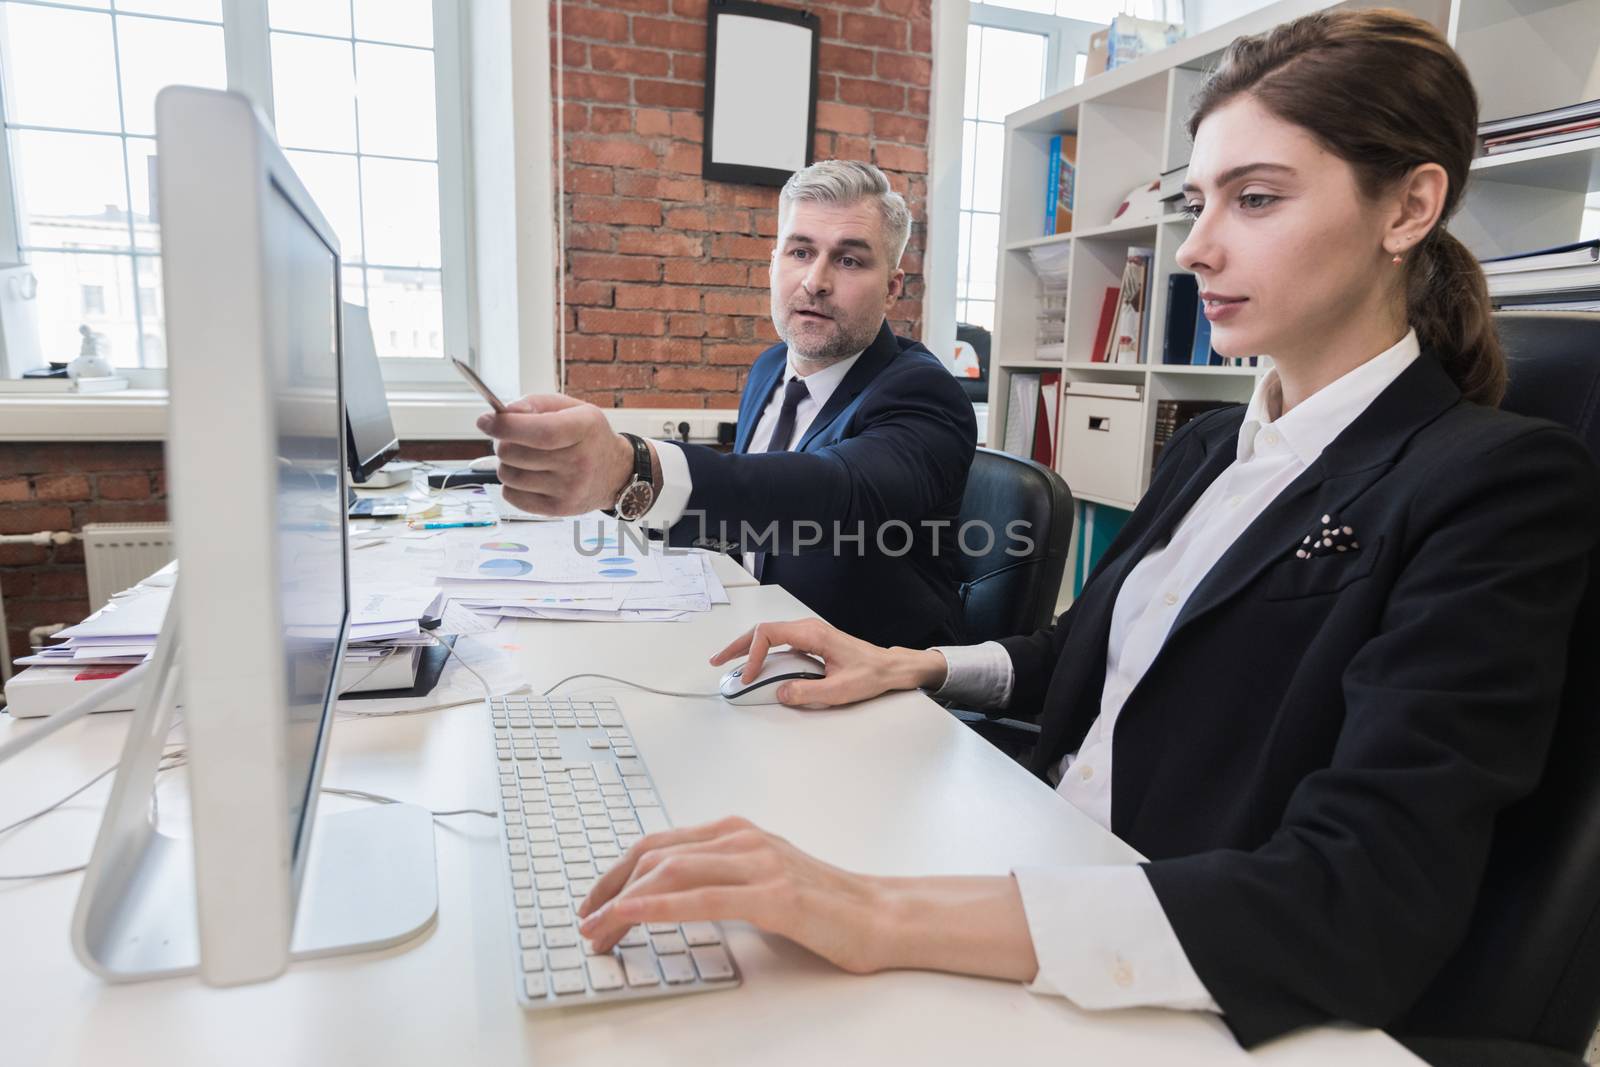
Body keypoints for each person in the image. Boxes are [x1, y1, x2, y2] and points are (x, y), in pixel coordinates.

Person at [573, 9, 1600, 1050]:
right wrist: (910, 663)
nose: (1196, 246)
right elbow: (1086, 654)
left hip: (1175, 960)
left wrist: (879, 911)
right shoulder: (1209, 445)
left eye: (1255, 199)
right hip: (1042, 854)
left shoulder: (1494, 481)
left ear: (1408, 207)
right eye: (1197, 201)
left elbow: (1358, 895)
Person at [477, 161, 976, 649]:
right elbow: (745, 510)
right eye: (800, 252)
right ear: (773, 262)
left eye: (849, 260)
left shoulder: (925, 395)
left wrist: (632, 469)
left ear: (892, 287)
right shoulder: (770, 368)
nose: (816, 282)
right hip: (754, 635)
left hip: (879, 684)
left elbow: (830, 495)